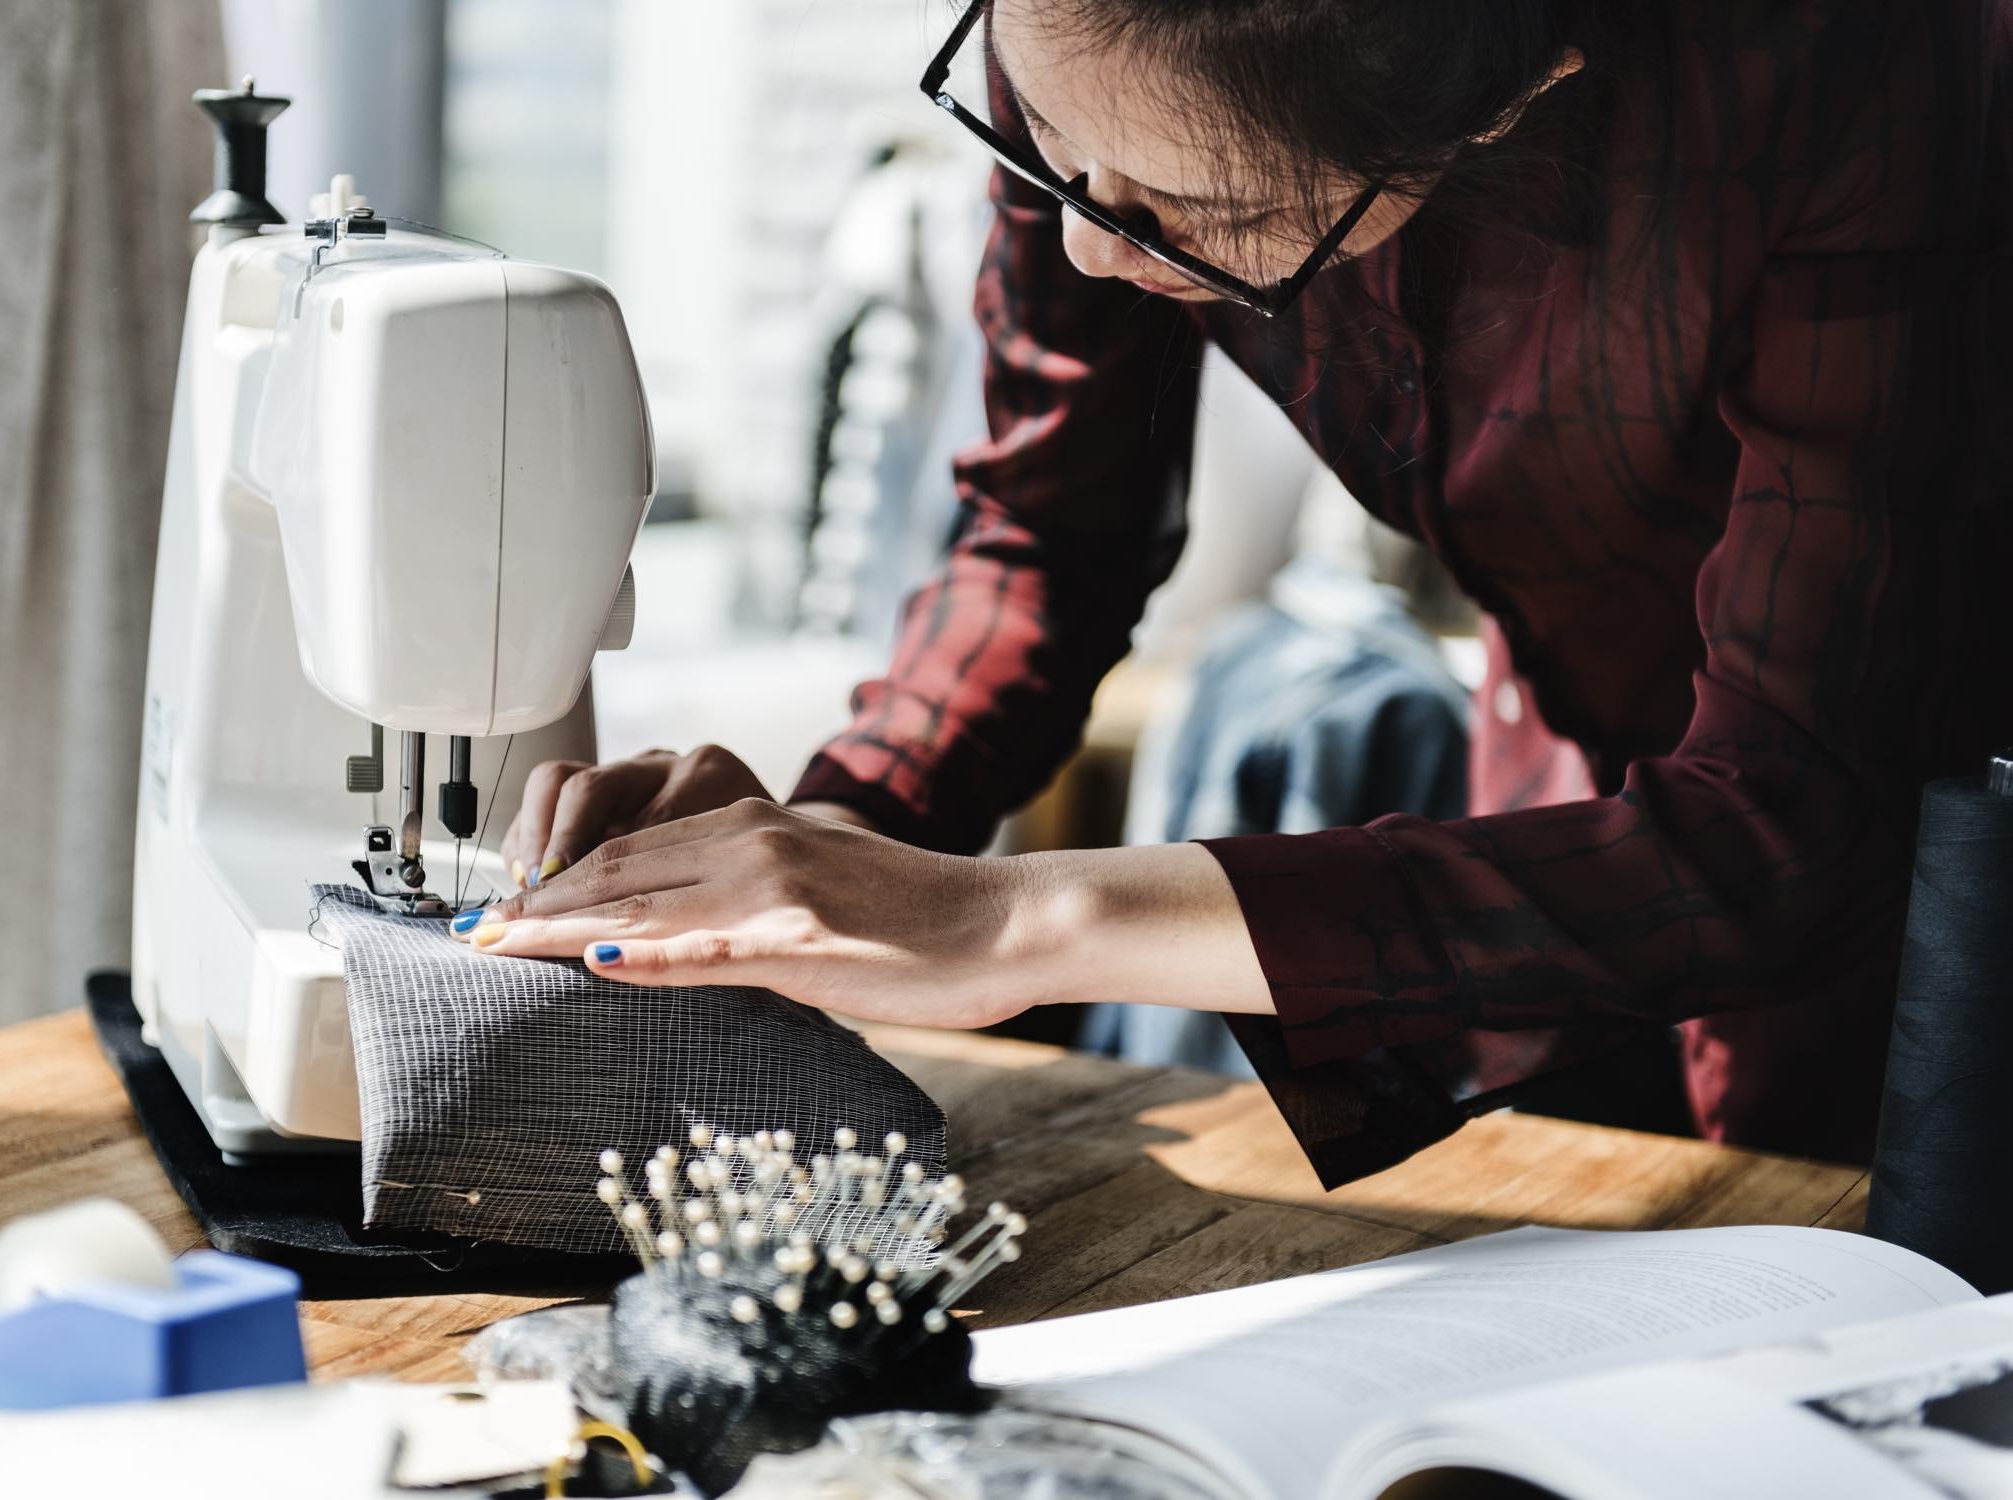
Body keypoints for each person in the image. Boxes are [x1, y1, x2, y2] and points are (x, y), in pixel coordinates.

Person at [454, 0, 2013, 1185]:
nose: (1080, 231)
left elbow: (1783, 825)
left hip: (1915, 845)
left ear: (1522, 88)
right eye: (1044, 143)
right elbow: (1047, 532)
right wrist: (852, 828)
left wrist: (1022, 921)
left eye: (1199, 216)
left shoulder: (1860, 84)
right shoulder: (1107, 65)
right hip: (1557, 775)